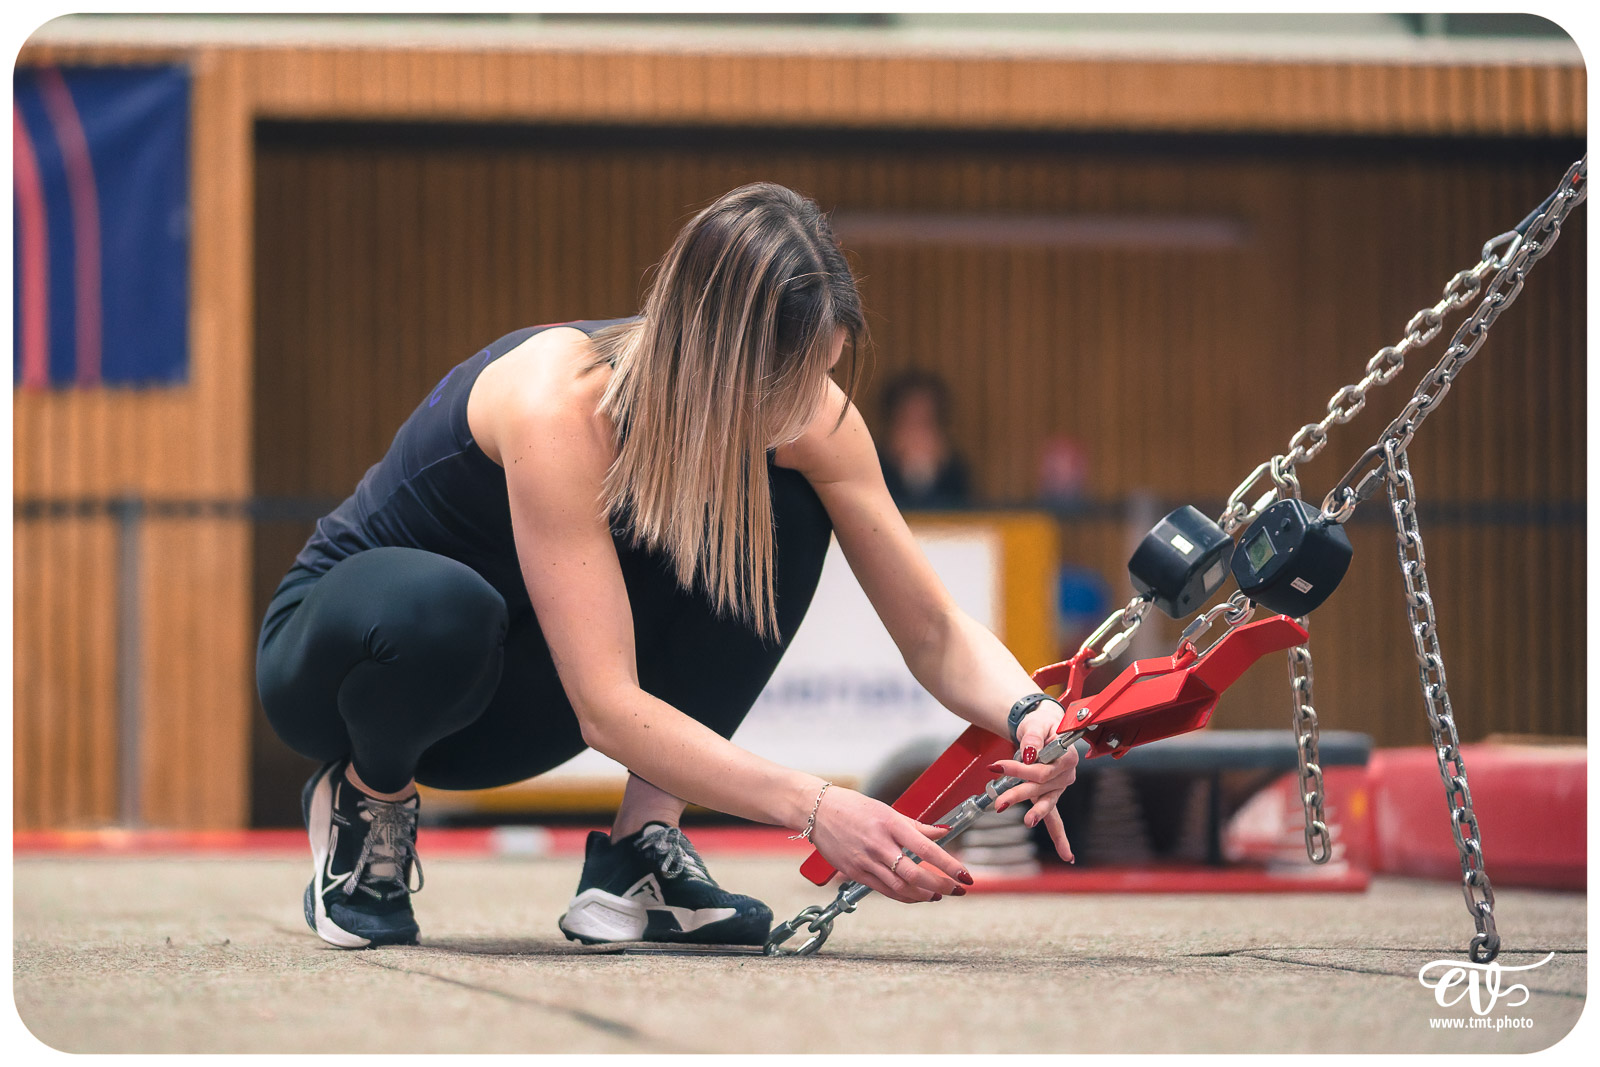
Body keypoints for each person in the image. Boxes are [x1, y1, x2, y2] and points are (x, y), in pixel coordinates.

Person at [255, 182, 1079, 950]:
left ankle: (640, 852)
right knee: (448, 607)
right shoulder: (559, 403)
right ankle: (368, 801)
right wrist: (818, 805)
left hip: (503, 709)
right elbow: (607, 709)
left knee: (790, 505)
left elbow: (932, 627)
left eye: (820, 377)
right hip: (348, 673)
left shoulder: (807, 419)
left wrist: (1032, 713)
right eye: (788, 383)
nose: (810, 408)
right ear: (715, 357)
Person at [876, 370, 972, 509]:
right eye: (908, 423)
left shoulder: (954, 472)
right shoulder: (874, 469)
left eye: (925, 423)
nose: (916, 435)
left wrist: (926, 475)